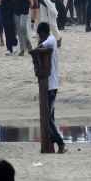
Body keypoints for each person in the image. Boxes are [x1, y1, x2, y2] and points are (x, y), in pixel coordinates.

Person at [35, 22, 66, 153]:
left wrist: (39, 42)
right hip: (47, 86)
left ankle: (60, 142)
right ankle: (51, 143)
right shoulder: (49, 40)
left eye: (39, 35)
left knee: (47, 117)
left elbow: (39, 47)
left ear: (43, 33)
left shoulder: (51, 40)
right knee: (50, 117)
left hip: (51, 86)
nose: (39, 37)